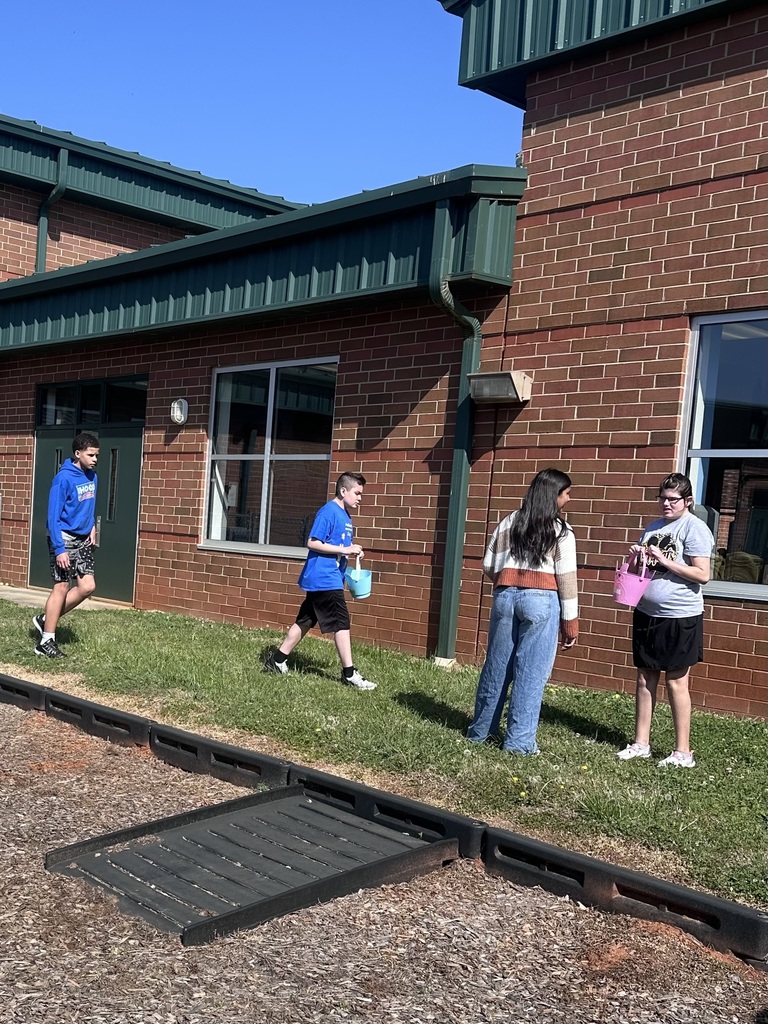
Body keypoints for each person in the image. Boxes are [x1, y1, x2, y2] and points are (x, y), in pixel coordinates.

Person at [467, 468, 578, 755]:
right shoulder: (561, 531)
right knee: (530, 673)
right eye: (566, 495)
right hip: (542, 601)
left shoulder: (508, 522)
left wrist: (509, 582)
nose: (568, 500)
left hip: (505, 597)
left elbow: (489, 565)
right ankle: (519, 744)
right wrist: (571, 625)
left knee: (496, 667)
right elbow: (566, 580)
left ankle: (480, 732)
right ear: (553, 496)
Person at [617, 472, 714, 768]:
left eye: (672, 499)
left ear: (687, 501)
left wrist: (666, 561)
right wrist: (636, 556)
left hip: (680, 615)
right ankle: (641, 743)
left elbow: (703, 575)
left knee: (676, 681)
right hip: (648, 612)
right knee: (645, 677)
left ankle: (682, 752)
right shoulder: (653, 527)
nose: (666, 504)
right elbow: (643, 570)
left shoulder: (695, 528)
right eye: (663, 498)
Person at [263, 472, 377, 690]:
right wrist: (345, 549)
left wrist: (352, 552)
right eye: (357, 493)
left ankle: (276, 661)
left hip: (328, 577)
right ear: (343, 491)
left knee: (306, 620)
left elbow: (338, 547)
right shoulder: (328, 512)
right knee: (341, 622)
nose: (360, 498)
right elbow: (313, 542)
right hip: (324, 578)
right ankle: (349, 674)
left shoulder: (345, 515)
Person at [33, 432, 100, 658]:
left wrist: (91, 525)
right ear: (78, 453)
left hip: (83, 540)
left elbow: (88, 506)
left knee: (87, 587)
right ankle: (46, 641)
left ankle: (45, 619)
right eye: (91, 455)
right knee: (61, 587)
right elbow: (53, 516)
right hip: (64, 538)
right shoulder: (63, 479)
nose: (94, 459)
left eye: (96, 455)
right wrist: (60, 548)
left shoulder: (93, 477)